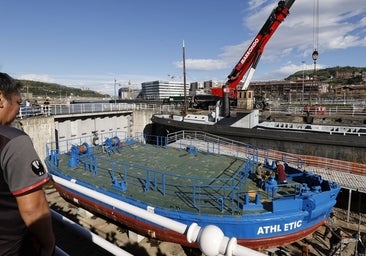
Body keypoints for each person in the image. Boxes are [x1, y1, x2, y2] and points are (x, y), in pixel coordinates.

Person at [0, 72, 55, 255]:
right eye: (18, 103)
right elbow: (34, 209)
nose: (18, 110)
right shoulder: (13, 142)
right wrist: (49, 245)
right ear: (1, 98)